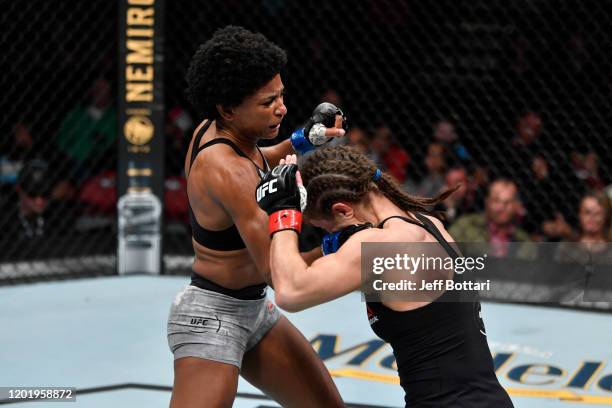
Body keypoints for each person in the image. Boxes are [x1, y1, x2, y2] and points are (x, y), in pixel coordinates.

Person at [167, 26, 345, 408]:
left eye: (280, 95)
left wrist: (303, 140)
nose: (281, 107)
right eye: (267, 102)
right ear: (228, 108)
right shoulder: (230, 173)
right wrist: (339, 245)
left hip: (254, 310)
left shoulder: (213, 130)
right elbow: (281, 275)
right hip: (212, 318)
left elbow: (260, 155)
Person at [255, 146, 514, 408]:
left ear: (344, 210)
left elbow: (290, 292)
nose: (329, 236)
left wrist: (283, 210)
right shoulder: (425, 222)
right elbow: (284, 272)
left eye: (326, 228)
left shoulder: (384, 245)